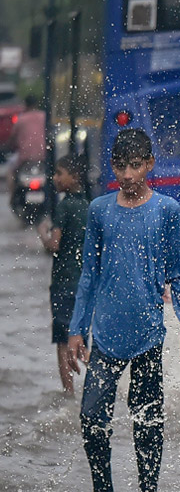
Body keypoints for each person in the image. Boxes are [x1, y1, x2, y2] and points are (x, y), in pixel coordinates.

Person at [67, 128, 180, 492]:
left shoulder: (167, 210)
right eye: (120, 166)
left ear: (150, 165)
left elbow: (177, 274)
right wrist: (77, 329)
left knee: (148, 423)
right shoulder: (100, 210)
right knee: (92, 419)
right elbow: (89, 274)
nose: (127, 174)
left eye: (135, 165)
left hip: (147, 334)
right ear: (112, 167)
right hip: (105, 334)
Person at [43, 154, 90, 395]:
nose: (55, 178)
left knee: (63, 340)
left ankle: (69, 392)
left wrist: (43, 234)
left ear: (74, 177)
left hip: (64, 282)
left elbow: (55, 244)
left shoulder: (63, 206)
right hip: (84, 283)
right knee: (83, 337)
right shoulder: (89, 206)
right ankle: (93, 385)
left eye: (60, 173)